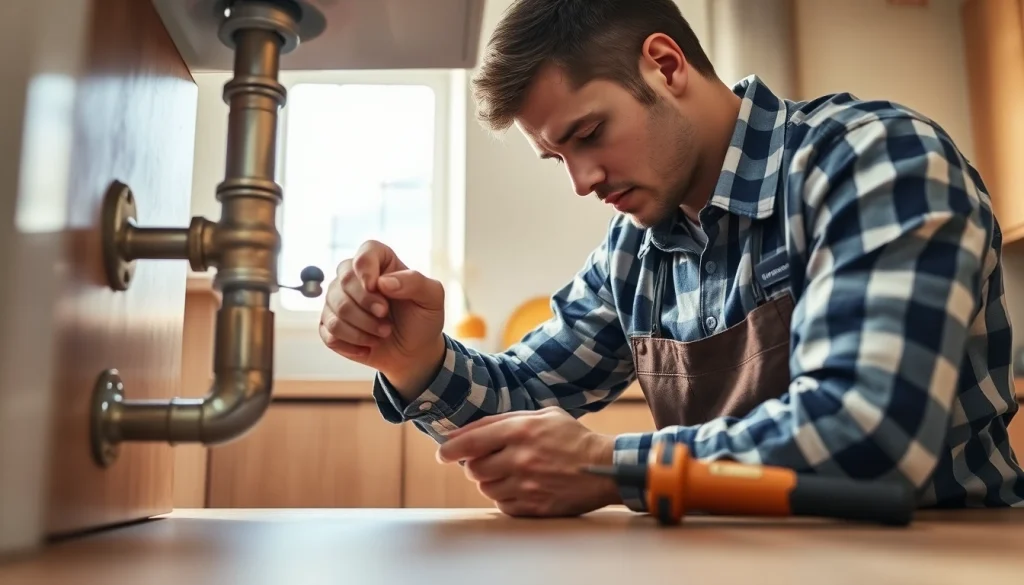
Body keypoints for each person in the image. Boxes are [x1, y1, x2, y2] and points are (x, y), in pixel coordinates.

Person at [318, 0, 1024, 517]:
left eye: (589, 133)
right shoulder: (635, 250)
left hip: (940, 559)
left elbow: (869, 431)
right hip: (740, 562)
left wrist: (612, 466)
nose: (582, 182)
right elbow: (526, 400)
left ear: (665, 64)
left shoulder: (872, 160)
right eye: (558, 158)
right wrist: (414, 360)